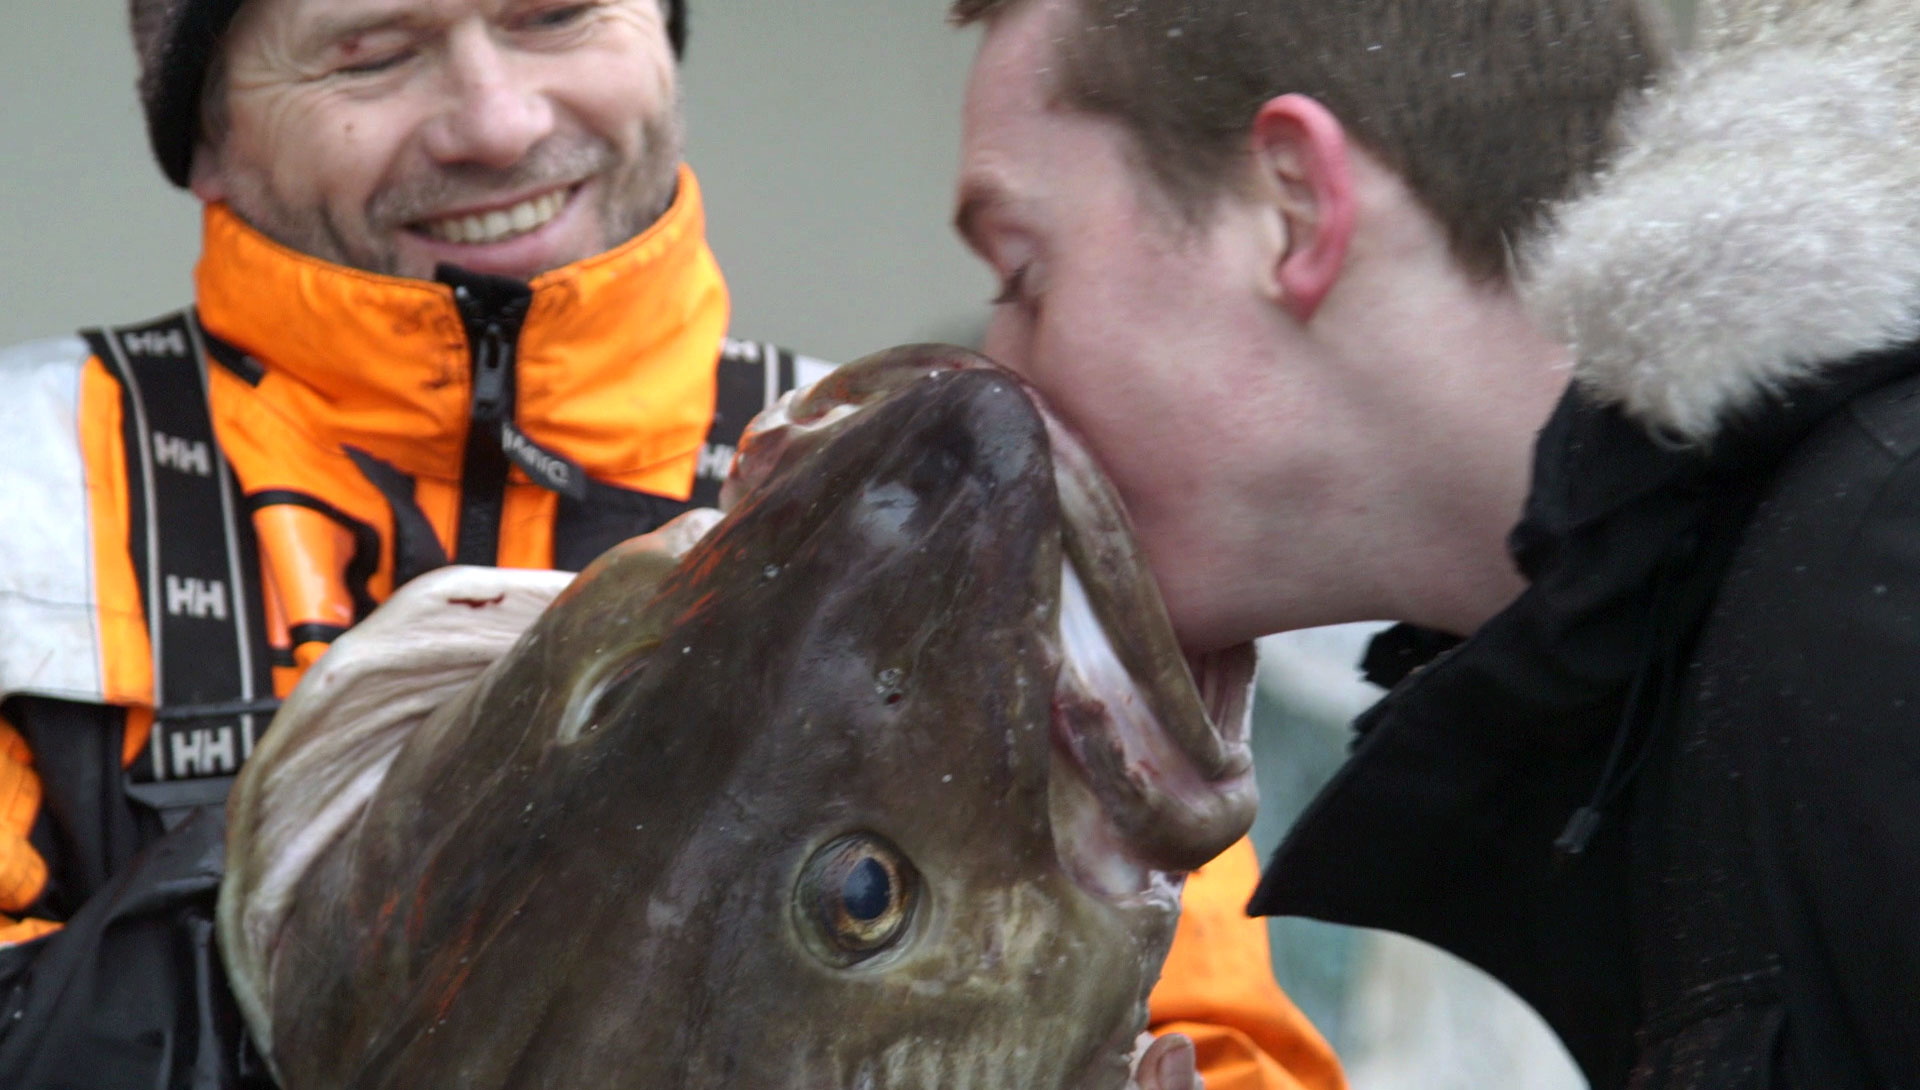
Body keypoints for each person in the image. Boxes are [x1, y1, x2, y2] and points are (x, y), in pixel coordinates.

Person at [0, 1, 1342, 1087]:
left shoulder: (963, 507)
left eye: (557, 15)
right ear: (209, 136)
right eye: (375, 52)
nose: (498, 119)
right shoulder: (27, 495)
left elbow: (1228, 1043)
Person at [952, 0, 1920, 1084]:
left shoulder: (1876, 569)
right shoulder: (1696, 667)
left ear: (1294, 206)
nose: (1003, 383)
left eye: (1021, 275)